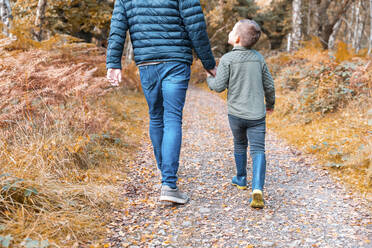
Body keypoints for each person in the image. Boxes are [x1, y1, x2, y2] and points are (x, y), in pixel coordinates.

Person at [106, 0, 216, 204]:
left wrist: (113, 62)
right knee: (172, 118)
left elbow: (118, 25)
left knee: (156, 116)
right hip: (176, 60)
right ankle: (169, 184)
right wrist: (208, 62)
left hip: (147, 62)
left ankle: (166, 173)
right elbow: (195, 25)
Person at [206, 20, 275, 209]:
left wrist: (208, 79)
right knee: (258, 150)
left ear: (236, 38)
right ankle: (257, 188)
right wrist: (270, 104)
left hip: (236, 114)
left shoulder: (227, 59)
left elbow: (218, 86)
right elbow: (269, 85)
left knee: (239, 144)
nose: (229, 31)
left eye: (232, 29)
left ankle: (241, 177)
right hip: (257, 115)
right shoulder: (259, 58)